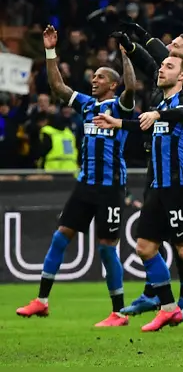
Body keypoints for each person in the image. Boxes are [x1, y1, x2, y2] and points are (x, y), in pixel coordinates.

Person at [99, 53, 183, 332]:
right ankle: (168, 308)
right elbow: (148, 124)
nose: (161, 69)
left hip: (179, 185)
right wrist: (118, 124)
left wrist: (157, 113)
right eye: (161, 65)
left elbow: (181, 115)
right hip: (158, 186)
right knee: (145, 248)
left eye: (169, 66)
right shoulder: (161, 104)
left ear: (182, 76)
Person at [16, 26, 136, 327]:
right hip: (85, 184)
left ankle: (118, 312)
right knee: (60, 237)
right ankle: (41, 301)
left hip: (110, 188)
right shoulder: (86, 104)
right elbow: (57, 86)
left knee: (106, 248)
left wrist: (126, 56)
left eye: (99, 77)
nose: (93, 80)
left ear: (112, 84)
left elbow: (131, 88)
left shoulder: (119, 105)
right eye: (93, 76)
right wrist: (50, 51)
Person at [115, 27, 183, 320]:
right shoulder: (165, 76)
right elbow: (148, 62)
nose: (169, 48)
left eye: (176, 46)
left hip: (176, 162)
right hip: (155, 159)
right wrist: (131, 47)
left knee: (180, 239)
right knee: (154, 233)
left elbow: (159, 57)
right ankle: (156, 293)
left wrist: (147, 38)